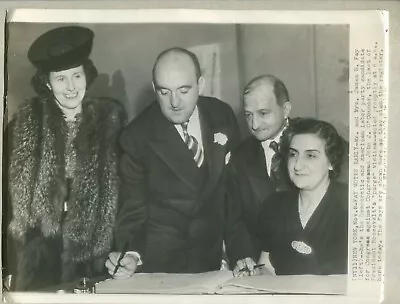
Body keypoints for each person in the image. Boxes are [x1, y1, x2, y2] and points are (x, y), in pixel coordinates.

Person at [106, 47, 253, 277]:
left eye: (184, 90)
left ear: (200, 85)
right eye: (164, 92)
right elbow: (133, 209)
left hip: (215, 258)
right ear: (154, 89)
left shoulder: (221, 114)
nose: (174, 102)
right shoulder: (137, 136)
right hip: (165, 265)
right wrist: (132, 255)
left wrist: (241, 250)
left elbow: (231, 194)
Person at [5, 26, 126, 290]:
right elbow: (6, 204)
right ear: (47, 83)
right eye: (60, 79)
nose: (71, 87)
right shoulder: (23, 127)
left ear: (87, 76)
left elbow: (129, 197)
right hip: (38, 260)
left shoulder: (111, 125)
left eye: (77, 76)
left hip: (95, 260)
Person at [256, 118, 348, 275]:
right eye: (293, 154)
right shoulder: (274, 205)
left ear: (331, 161)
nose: (297, 165)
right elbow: (266, 265)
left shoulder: (352, 205)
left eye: (311, 156)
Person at [225, 75, 293, 268]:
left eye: (263, 113)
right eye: (248, 115)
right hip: (260, 266)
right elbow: (234, 219)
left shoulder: (313, 140)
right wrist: (242, 255)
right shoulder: (240, 156)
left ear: (286, 109)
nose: (254, 124)